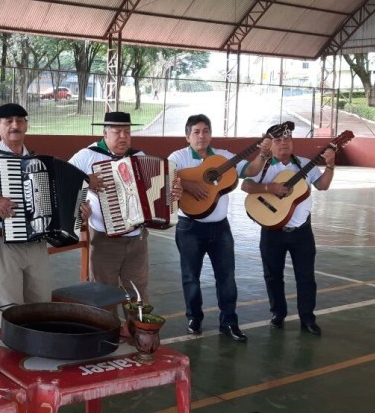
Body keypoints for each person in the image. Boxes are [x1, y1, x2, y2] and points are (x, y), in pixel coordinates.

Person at [0, 103, 89, 328]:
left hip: (37, 244)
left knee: (41, 302)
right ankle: (5, 354)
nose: (15, 125)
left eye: (20, 120)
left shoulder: (40, 162)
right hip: (2, 242)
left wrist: (79, 210)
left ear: (26, 125)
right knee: (6, 306)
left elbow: (60, 200)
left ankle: (37, 347)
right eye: (8, 121)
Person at [169, 114, 271, 342]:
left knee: (227, 277)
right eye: (196, 132)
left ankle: (230, 322)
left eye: (205, 131)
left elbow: (250, 170)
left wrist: (263, 155)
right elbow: (164, 176)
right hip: (189, 227)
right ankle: (194, 318)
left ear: (211, 134)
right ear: (187, 136)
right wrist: (189, 184)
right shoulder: (178, 157)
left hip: (220, 228)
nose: (201, 136)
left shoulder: (224, 157)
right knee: (190, 277)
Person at [69, 111, 181, 303]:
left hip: (137, 240)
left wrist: (172, 195)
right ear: (105, 134)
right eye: (117, 132)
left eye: (127, 132)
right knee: (104, 297)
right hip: (104, 241)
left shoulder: (139, 156)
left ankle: (138, 333)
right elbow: (63, 183)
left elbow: (155, 192)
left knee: (138, 296)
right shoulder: (87, 156)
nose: (123, 136)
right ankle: (108, 333)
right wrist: (86, 182)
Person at [241, 121, 336, 336]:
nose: (284, 143)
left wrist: (330, 165)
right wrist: (269, 187)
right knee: (272, 275)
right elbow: (246, 185)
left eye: (287, 139)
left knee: (306, 276)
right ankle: (278, 313)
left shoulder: (304, 165)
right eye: (278, 139)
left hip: (301, 231)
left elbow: (322, 185)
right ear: (269, 144)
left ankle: (307, 318)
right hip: (271, 230)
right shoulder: (263, 165)